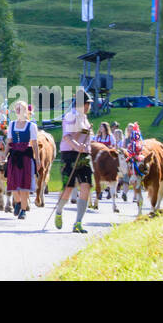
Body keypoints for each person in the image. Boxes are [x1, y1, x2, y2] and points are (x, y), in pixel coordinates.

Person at [55, 89, 94, 233]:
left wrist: (87, 147)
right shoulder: (71, 116)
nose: (89, 106)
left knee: (86, 185)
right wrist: (78, 147)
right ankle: (59, 211)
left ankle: (78, 222)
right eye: (87, 103)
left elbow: (87, 138)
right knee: (68, 187)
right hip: (70, 155)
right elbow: (67, 137)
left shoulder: (85, 118)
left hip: (84, 156)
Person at [7, 101, 40, 219]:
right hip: (14, 156)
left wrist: (38, 160)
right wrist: (4, 155)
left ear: (26, 111)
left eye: (20, 108)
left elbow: (35, 144)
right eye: (16, 108)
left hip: (26, 157)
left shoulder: (31, 126)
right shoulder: (11, 124)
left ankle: (23, 210)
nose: (17, 110)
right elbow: (9, 142)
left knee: (24, 185)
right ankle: (18, 202)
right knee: (13, 184)